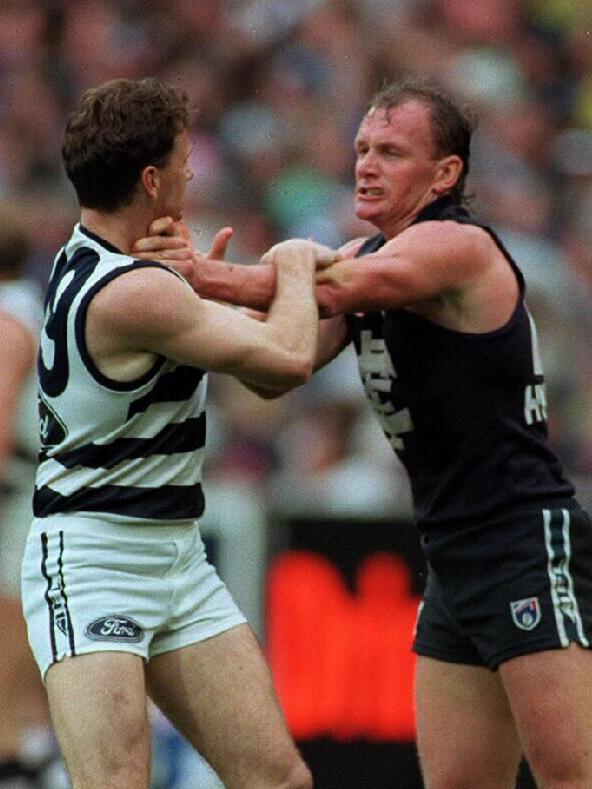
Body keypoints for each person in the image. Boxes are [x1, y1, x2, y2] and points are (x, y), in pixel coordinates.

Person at [134, 79, 592, 788]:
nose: (366, 165)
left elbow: (331, 289)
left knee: (572, 775)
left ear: (445, 174)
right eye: (361, 148)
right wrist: (175, 302)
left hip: (524, 541)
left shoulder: (453, 245)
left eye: (392, 152)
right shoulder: (359, 256)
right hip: (453, 555)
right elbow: (277, 369)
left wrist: (202, 274)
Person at [20, 76, 337, 789]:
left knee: (280, 780)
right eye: (185, 162)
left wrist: (208, 281)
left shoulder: (115, 261)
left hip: (176, 559)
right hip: (94, 561)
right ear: (152, 179)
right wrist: (288, 262)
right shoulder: (136, 290)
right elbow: (287, 361)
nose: (194, 175)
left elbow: (260, 371)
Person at [0, 202, 53, 788]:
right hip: (23, 493)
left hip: (16, 497)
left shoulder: (10, 313)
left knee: (8, 643)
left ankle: (16, 758)